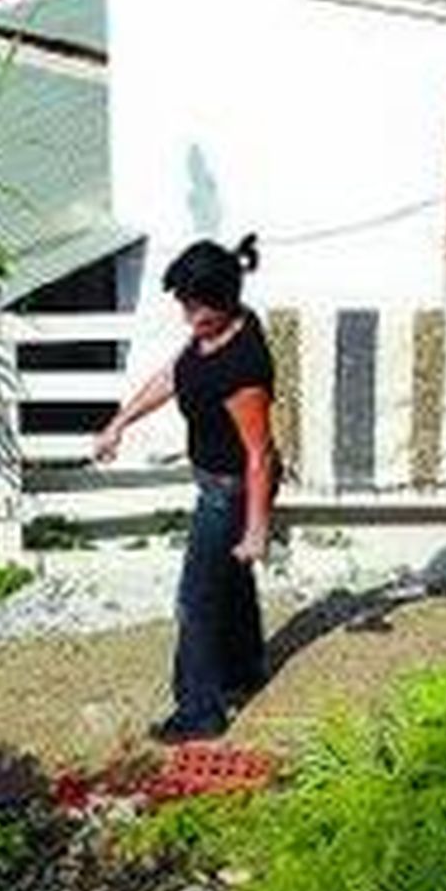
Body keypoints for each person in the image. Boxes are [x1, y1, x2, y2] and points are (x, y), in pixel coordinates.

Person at [93, 234, 279, 742]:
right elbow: (174, 375)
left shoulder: (243, 367)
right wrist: (120, 422)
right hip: (219, 482)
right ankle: (242, 670)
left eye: (198, 306)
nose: (189, 316)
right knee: (231, 580)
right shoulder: (208, 336)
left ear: (224, 300)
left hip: (234, 487)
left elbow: (259, 454)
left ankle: (200, 712)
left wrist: (258, 527)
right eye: (185, 304)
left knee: (196, 598)